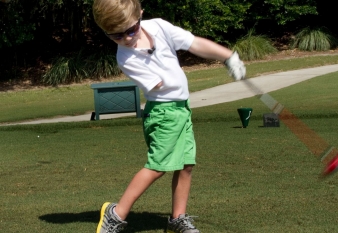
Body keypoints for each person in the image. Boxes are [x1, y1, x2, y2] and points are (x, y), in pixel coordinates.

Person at [92, 0, 246, 232]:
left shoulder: (159, 27)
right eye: (116, 36)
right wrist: (155, 49)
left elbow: (194, 44)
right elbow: (164, 84)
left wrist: (228, 57)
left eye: (131, 30)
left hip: (181, 108)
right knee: (157, 167)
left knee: (185, 165)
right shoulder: (126, 58)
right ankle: (115, 214)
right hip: (163, 112)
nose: (126, 39)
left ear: (140, 15)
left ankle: (177, 219)